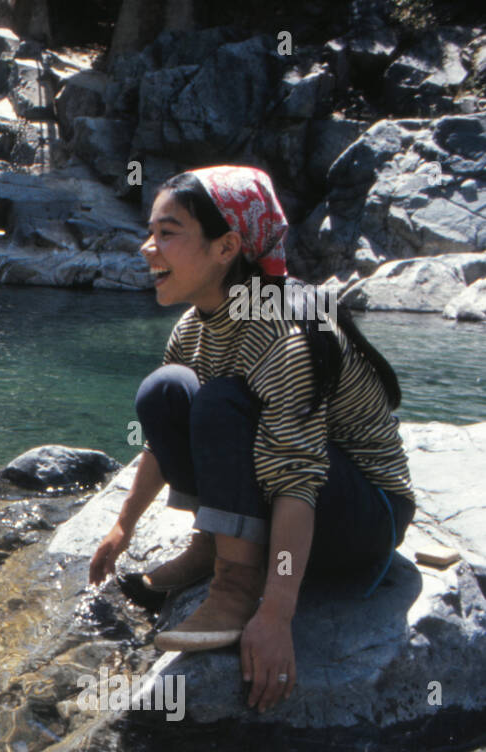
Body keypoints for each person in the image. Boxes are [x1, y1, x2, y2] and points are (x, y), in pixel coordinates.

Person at [89, 165, 415, 713]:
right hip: (295, 497)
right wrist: (124, 525)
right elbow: (163, 441)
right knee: (166, 392)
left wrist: (275, 613)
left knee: (221, 402)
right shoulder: (197, 324)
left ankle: (235, 584)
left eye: (168, 233)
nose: (148, 249)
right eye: (151, 231)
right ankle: (211, 545)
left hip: (360, 519)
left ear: (227, 247)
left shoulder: (285, 333)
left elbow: (298, 479)